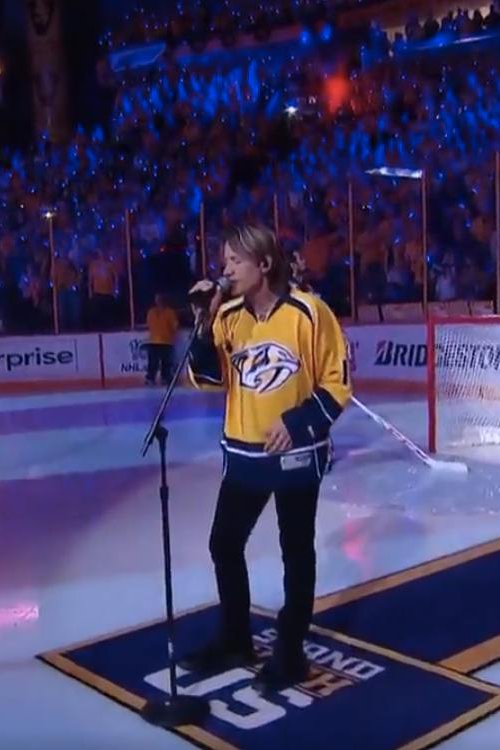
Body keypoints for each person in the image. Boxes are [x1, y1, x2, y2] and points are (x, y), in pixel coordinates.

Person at [180, 223, 352, 693]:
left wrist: (298, 423)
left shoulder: (309, 313)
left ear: (264, 264)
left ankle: (290, 651)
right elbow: (209, 379)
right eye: (224, 262)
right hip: (243, 454)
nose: (225, 270)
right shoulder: (228, 315)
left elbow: (337, 384)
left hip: (297, 455)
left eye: (235, 261)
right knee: (224, 543)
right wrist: (200, 324)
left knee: (295, 552)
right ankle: (235, 639)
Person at [144, 293, 179, 385]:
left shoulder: (170, 313)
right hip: (154, 341)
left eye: (160, 299)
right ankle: (150, 378)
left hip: (166, 341)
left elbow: (174, 326)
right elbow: (149, 324)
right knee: (153, 362)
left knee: (165, 362)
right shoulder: (151, 312)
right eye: (157, 299)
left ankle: (165, 378)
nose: (159, 301)